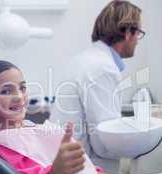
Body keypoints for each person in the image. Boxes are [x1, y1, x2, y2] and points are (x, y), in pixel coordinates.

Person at [0, 59, 162, 174]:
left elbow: (85, 172)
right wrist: (59, 169)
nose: (19, 97)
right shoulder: (6, 144)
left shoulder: (28, 129)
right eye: (6, 91)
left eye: (22, 88)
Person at [50, 0, 146, 160]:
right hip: (84, 171)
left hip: (65, 163)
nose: (137, 40)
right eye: (138, 34)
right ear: (128, 32)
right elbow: (105, 143)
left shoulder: (85, 59)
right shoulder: (102, 68)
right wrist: (142, 143)